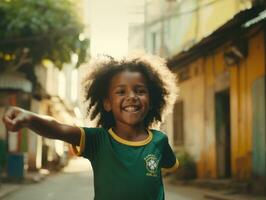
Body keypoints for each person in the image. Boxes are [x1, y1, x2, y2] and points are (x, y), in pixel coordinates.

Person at [2, 54, 179, 200]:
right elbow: (58, 128)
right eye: (121, 92)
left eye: (140, 91)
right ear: (107, 103)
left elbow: (170, 167)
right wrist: (29, 119)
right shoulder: (98, 140)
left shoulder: (159, 140)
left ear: (151, 101)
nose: (132, 96)